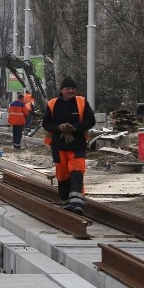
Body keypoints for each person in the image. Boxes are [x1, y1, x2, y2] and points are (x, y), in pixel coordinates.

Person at [42, 76, 96, 215]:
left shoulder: (82, 102)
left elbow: (91, 120)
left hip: (77, 145)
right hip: (59, 147)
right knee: (63, 176)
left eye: (73, 89)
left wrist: (75, 128)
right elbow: (46, 123)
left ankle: (77, 204)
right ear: (62, 90)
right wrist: (59, 127)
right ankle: (65, 205)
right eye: (68, 89)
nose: (71, 91)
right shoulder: (52, 104)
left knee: (77, 173)